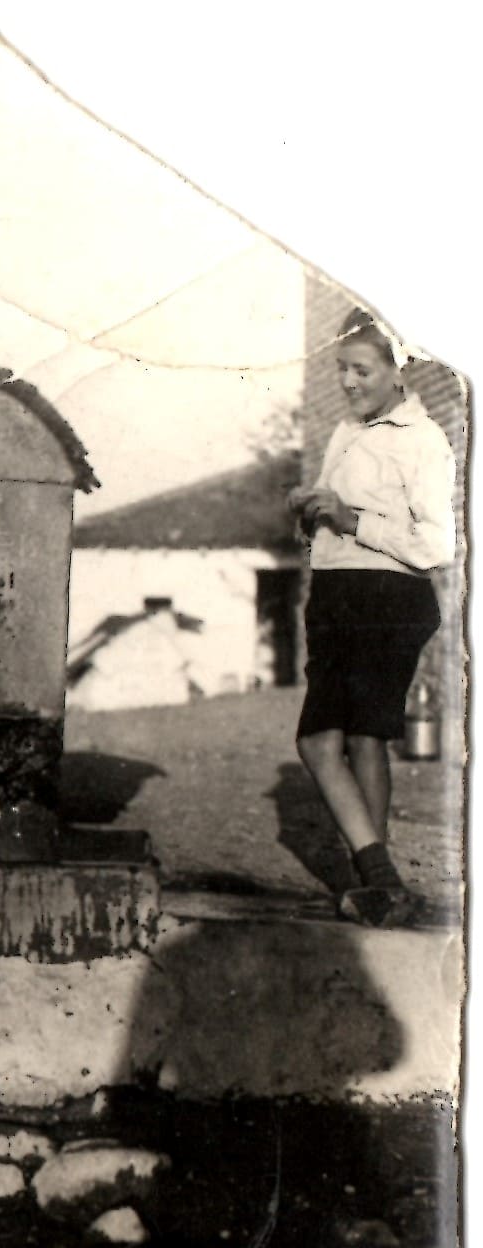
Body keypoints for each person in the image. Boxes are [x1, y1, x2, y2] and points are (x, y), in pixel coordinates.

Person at [288, 307, 457, 925]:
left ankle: (378, 875)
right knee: (359, 739)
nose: (349, 382)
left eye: (361, 369)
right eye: (341, 370)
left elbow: (438, 544)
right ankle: (379, 886)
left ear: (397, 369)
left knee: (317, 740)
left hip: (387, 600)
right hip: (337, 592)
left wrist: (351, 518)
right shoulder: (345, 432)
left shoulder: (423, 440)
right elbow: (331, 527)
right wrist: (310, 513)